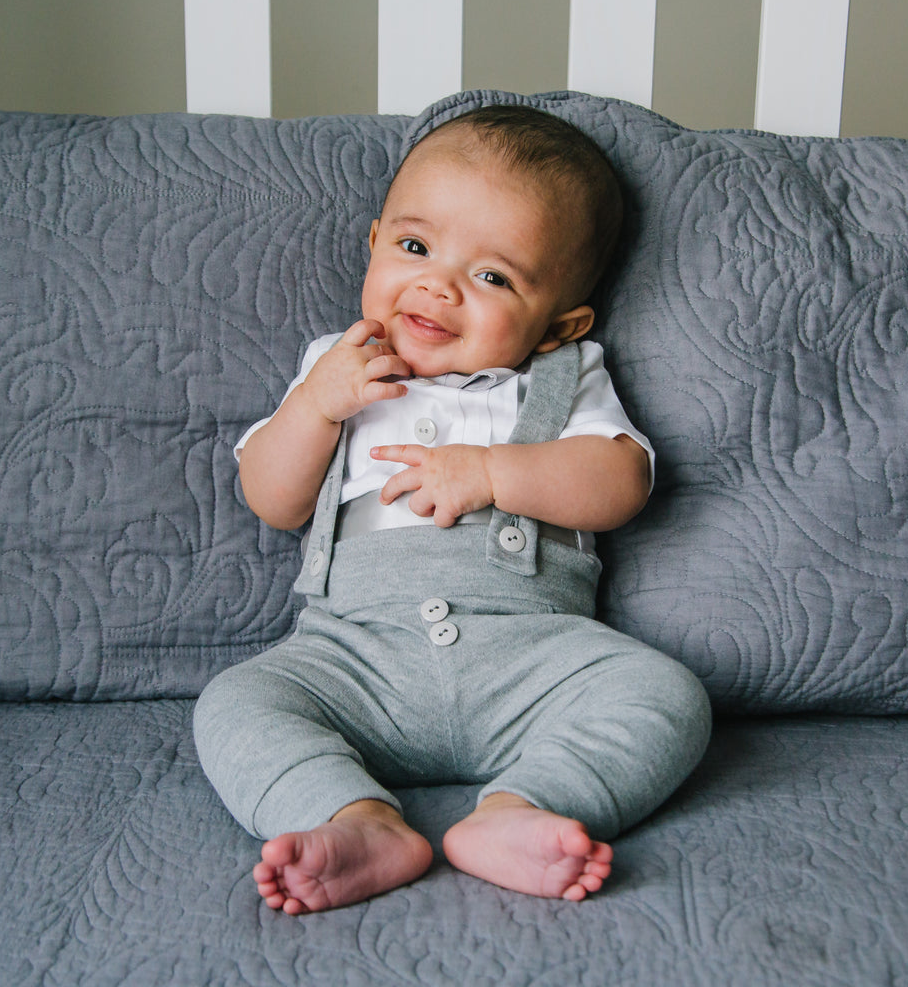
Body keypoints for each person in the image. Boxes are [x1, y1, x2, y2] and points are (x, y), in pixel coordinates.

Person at [194, 104, 711, 915]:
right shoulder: (337, 368)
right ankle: (354, 819)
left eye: (493, 276)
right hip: (351, 659)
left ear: (558, 325)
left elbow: (620, 484)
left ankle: (524, 806)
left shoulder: (564, 376)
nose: (436, 285)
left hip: (534, 660)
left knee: (666, 696)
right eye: (414, 247)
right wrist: (315, 410)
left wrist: (493, 473)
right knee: (235, 705)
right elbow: (272, 499)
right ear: (372, 244)